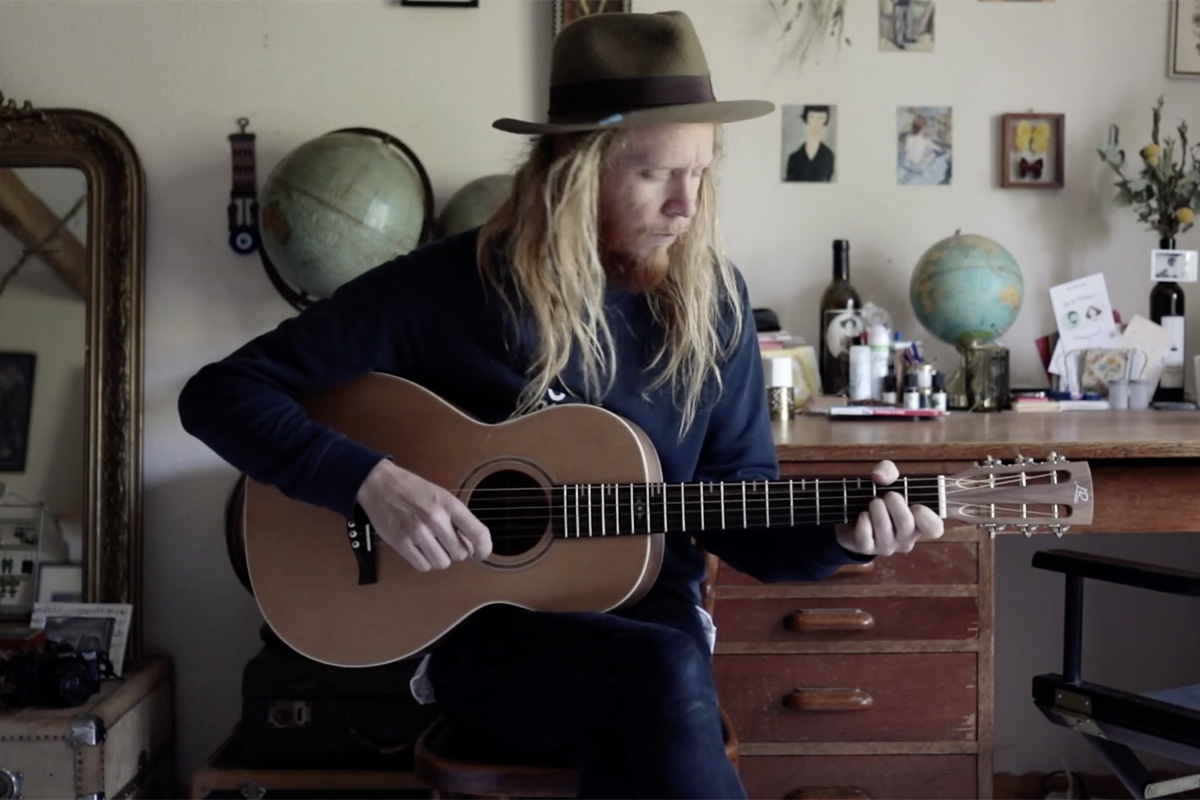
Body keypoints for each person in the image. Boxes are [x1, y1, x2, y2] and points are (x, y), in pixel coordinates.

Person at [179, 10, 943, 799]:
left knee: (645, 703)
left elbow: (736, 508)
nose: (686, 205)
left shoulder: (714, 306)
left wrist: (845, 541)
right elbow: (221, 394)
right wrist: (372, 484)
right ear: (574, 168)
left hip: (655, 626)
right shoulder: (447, 289)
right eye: (655, 173)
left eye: (701, 172)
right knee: (658, 683)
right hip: (491, 642)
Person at [785, 105, 835, 182]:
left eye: (820, 118)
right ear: (806, 119)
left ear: (825, 121)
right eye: (812, 117)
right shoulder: (793, 158)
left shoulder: (829, 156)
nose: (815, 123)